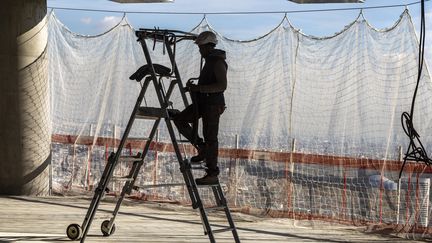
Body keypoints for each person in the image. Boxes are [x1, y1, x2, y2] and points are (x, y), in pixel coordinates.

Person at [172, 31, 227, 185]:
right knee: (180, 120)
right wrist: (197, 88)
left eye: (201, 47)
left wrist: (199, 89)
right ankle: (201, 148)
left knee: (211, 138)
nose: (200, 51)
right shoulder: (210, 61)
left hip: (212, 105)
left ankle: (212, 173)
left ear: (209, 46)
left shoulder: (217, 62)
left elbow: (222, 85)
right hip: (204, 103)